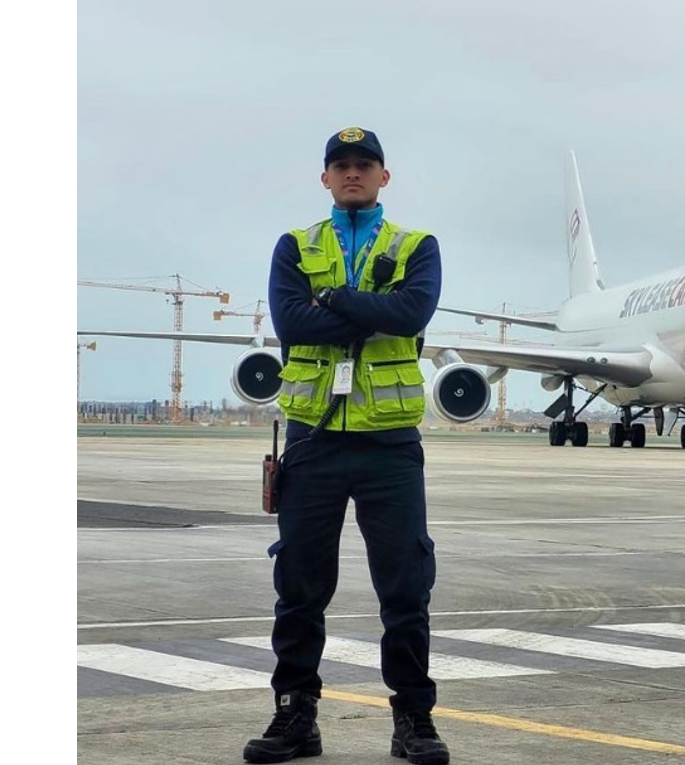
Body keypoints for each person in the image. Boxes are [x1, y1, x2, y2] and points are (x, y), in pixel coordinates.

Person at [243, 126, 449, 765]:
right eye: (341, 166)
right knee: (300, 588)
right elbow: (289, 322)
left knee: (405, 589)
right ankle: (294, 717)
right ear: (325, 178)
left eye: (364, 164)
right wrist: (368, 307)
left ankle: (414, 720)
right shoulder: (294, 246)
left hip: (389, 447)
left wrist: (330, 298)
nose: (352, 173)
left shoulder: (417, 245)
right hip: (314, 443)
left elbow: (412, 314)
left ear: (385, 177)